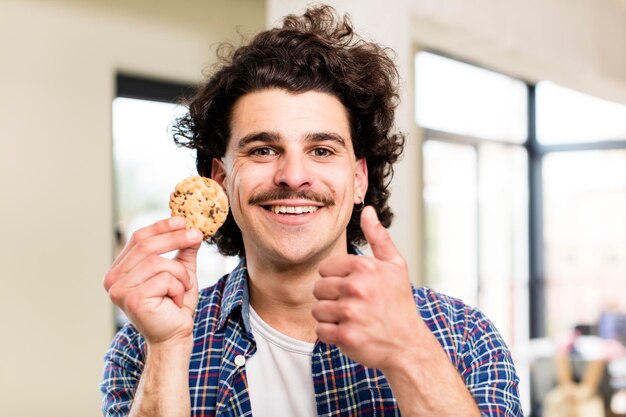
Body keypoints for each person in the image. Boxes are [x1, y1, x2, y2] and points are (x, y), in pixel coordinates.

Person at [101, 5, 521, 417]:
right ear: (221, 180)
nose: (293, 176)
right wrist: (168, 349)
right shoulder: (142, 346)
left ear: (359, 180)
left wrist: (410, 352)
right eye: (264, 150)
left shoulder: (464, 336)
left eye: (321, 150)